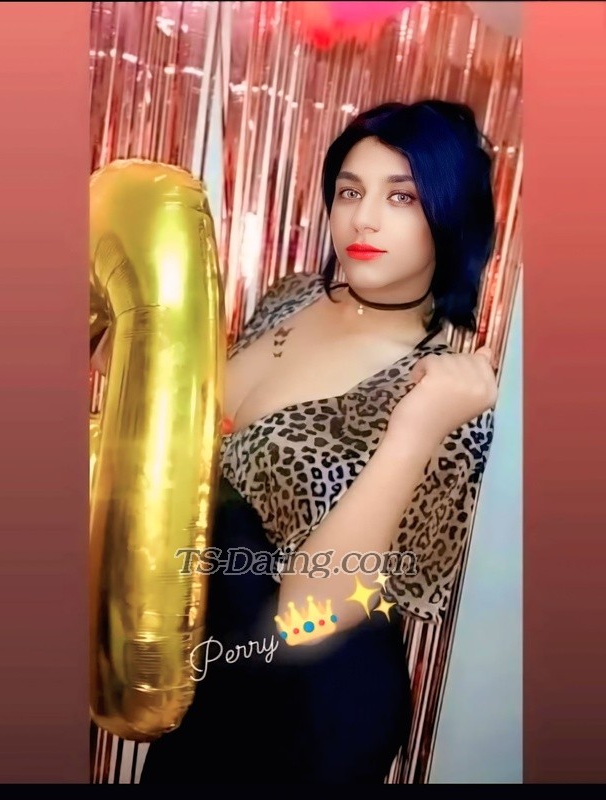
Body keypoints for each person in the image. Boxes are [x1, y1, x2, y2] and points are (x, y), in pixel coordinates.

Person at [92, 99, 498, 784]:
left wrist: (416, 429)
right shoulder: (292, 297)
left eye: (401, 196)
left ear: (449, 215)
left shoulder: (448, 389)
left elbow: (310, 612)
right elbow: (186, 410)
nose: (363, 219)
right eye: (350, 191)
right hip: (212, 667)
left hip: (315, 704)